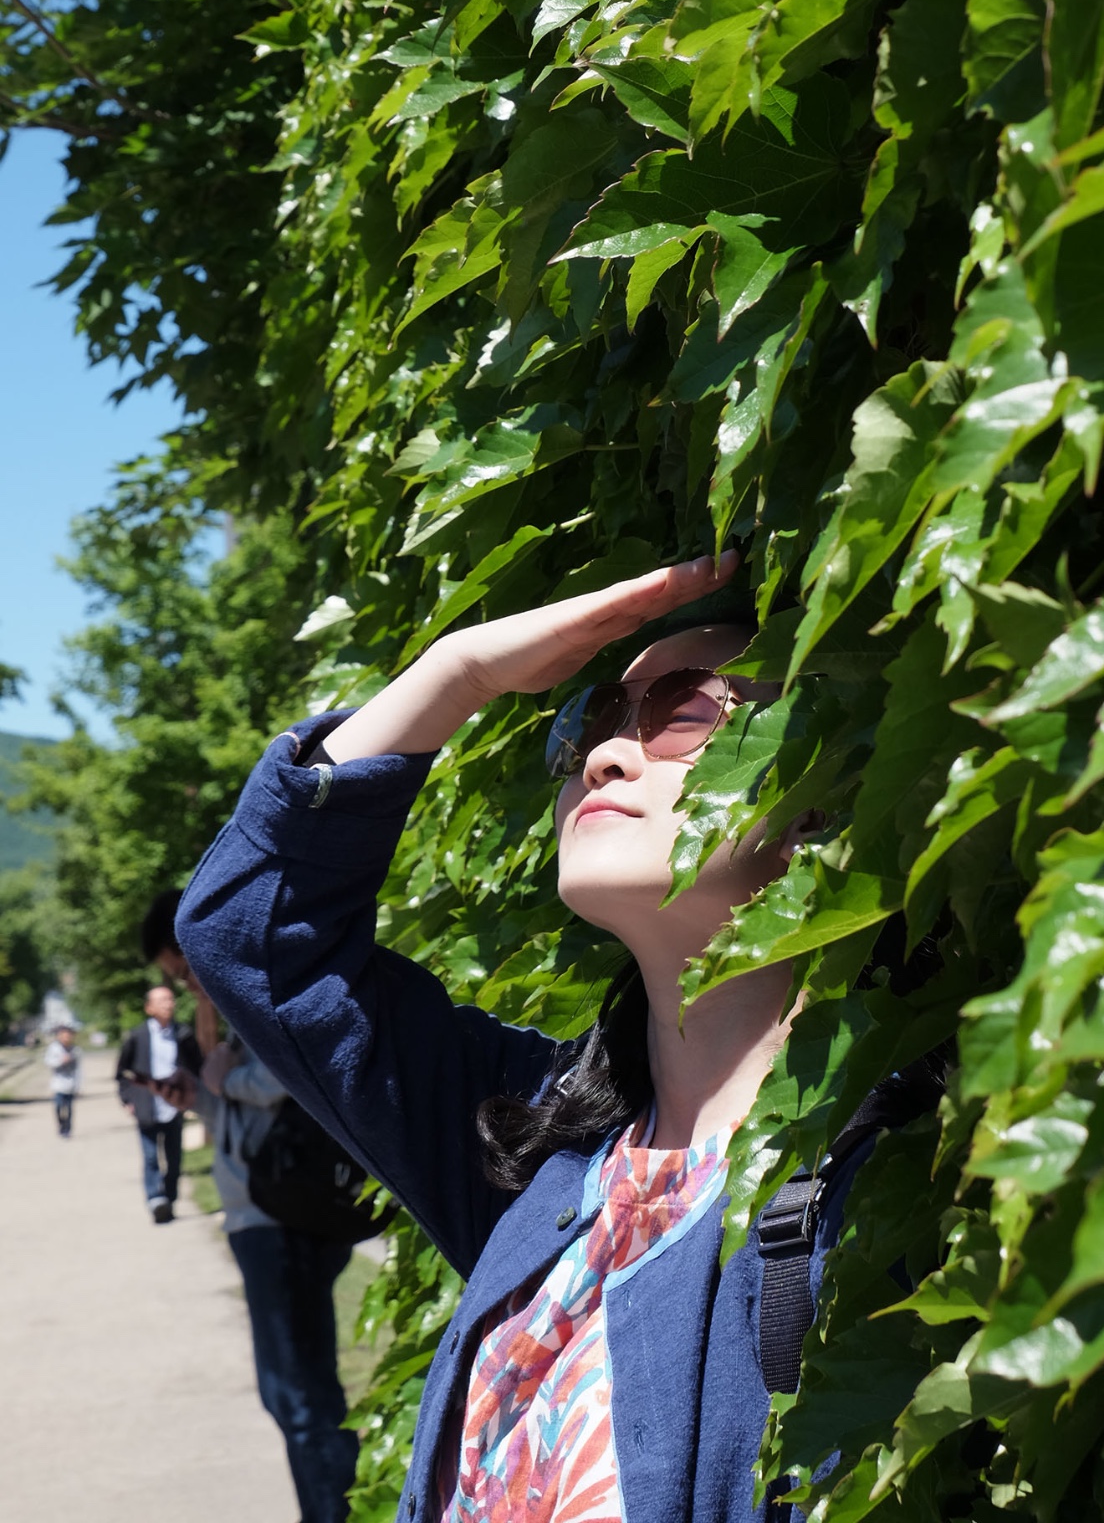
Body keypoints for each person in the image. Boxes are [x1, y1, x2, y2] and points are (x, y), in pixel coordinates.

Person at [177, 554, 893, 1523]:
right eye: (591, 725)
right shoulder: (541, 1144)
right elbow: (251, 937)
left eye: (686, 713)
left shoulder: (895, 1190)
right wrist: (456, 672)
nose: (604, 755)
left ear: (836, 788)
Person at [140, 892, 359, 1523]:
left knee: (296, 1396)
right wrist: (202, 1100)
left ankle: (332, 1512)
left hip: (278, 1219)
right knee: (305, 1389)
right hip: (268, 1211)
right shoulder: (247, 989)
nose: (187, 987)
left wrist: (221, 1081)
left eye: (182, 973)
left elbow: (287, 1079)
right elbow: (248, 1118)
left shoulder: (259, 985)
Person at [116, 983, 201, 1222]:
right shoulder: (137, 1036)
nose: (169, 1004)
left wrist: (194, 1099)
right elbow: (123, 1073)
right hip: (146, 1103)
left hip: (174, 1104)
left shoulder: (183, 1034)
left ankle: (169, 1199)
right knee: (151, 1156)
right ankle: (155, 1199)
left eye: (171, 1000)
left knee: (174, 1158)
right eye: (163, 1000)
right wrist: (127, 1099)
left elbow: (198, 1068)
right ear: (149, 1008)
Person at [45, 1023, 81, 1136]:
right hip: (58, 1084)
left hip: (71, 1084)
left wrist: (79, 1085)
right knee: (59, 1107)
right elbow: (48, 1062)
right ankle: (61, 1125)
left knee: (69, 1108)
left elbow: (79, 1069)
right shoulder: (54, 1048)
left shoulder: (75, 1050)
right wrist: (61, 1061)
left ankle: (68, 1129)